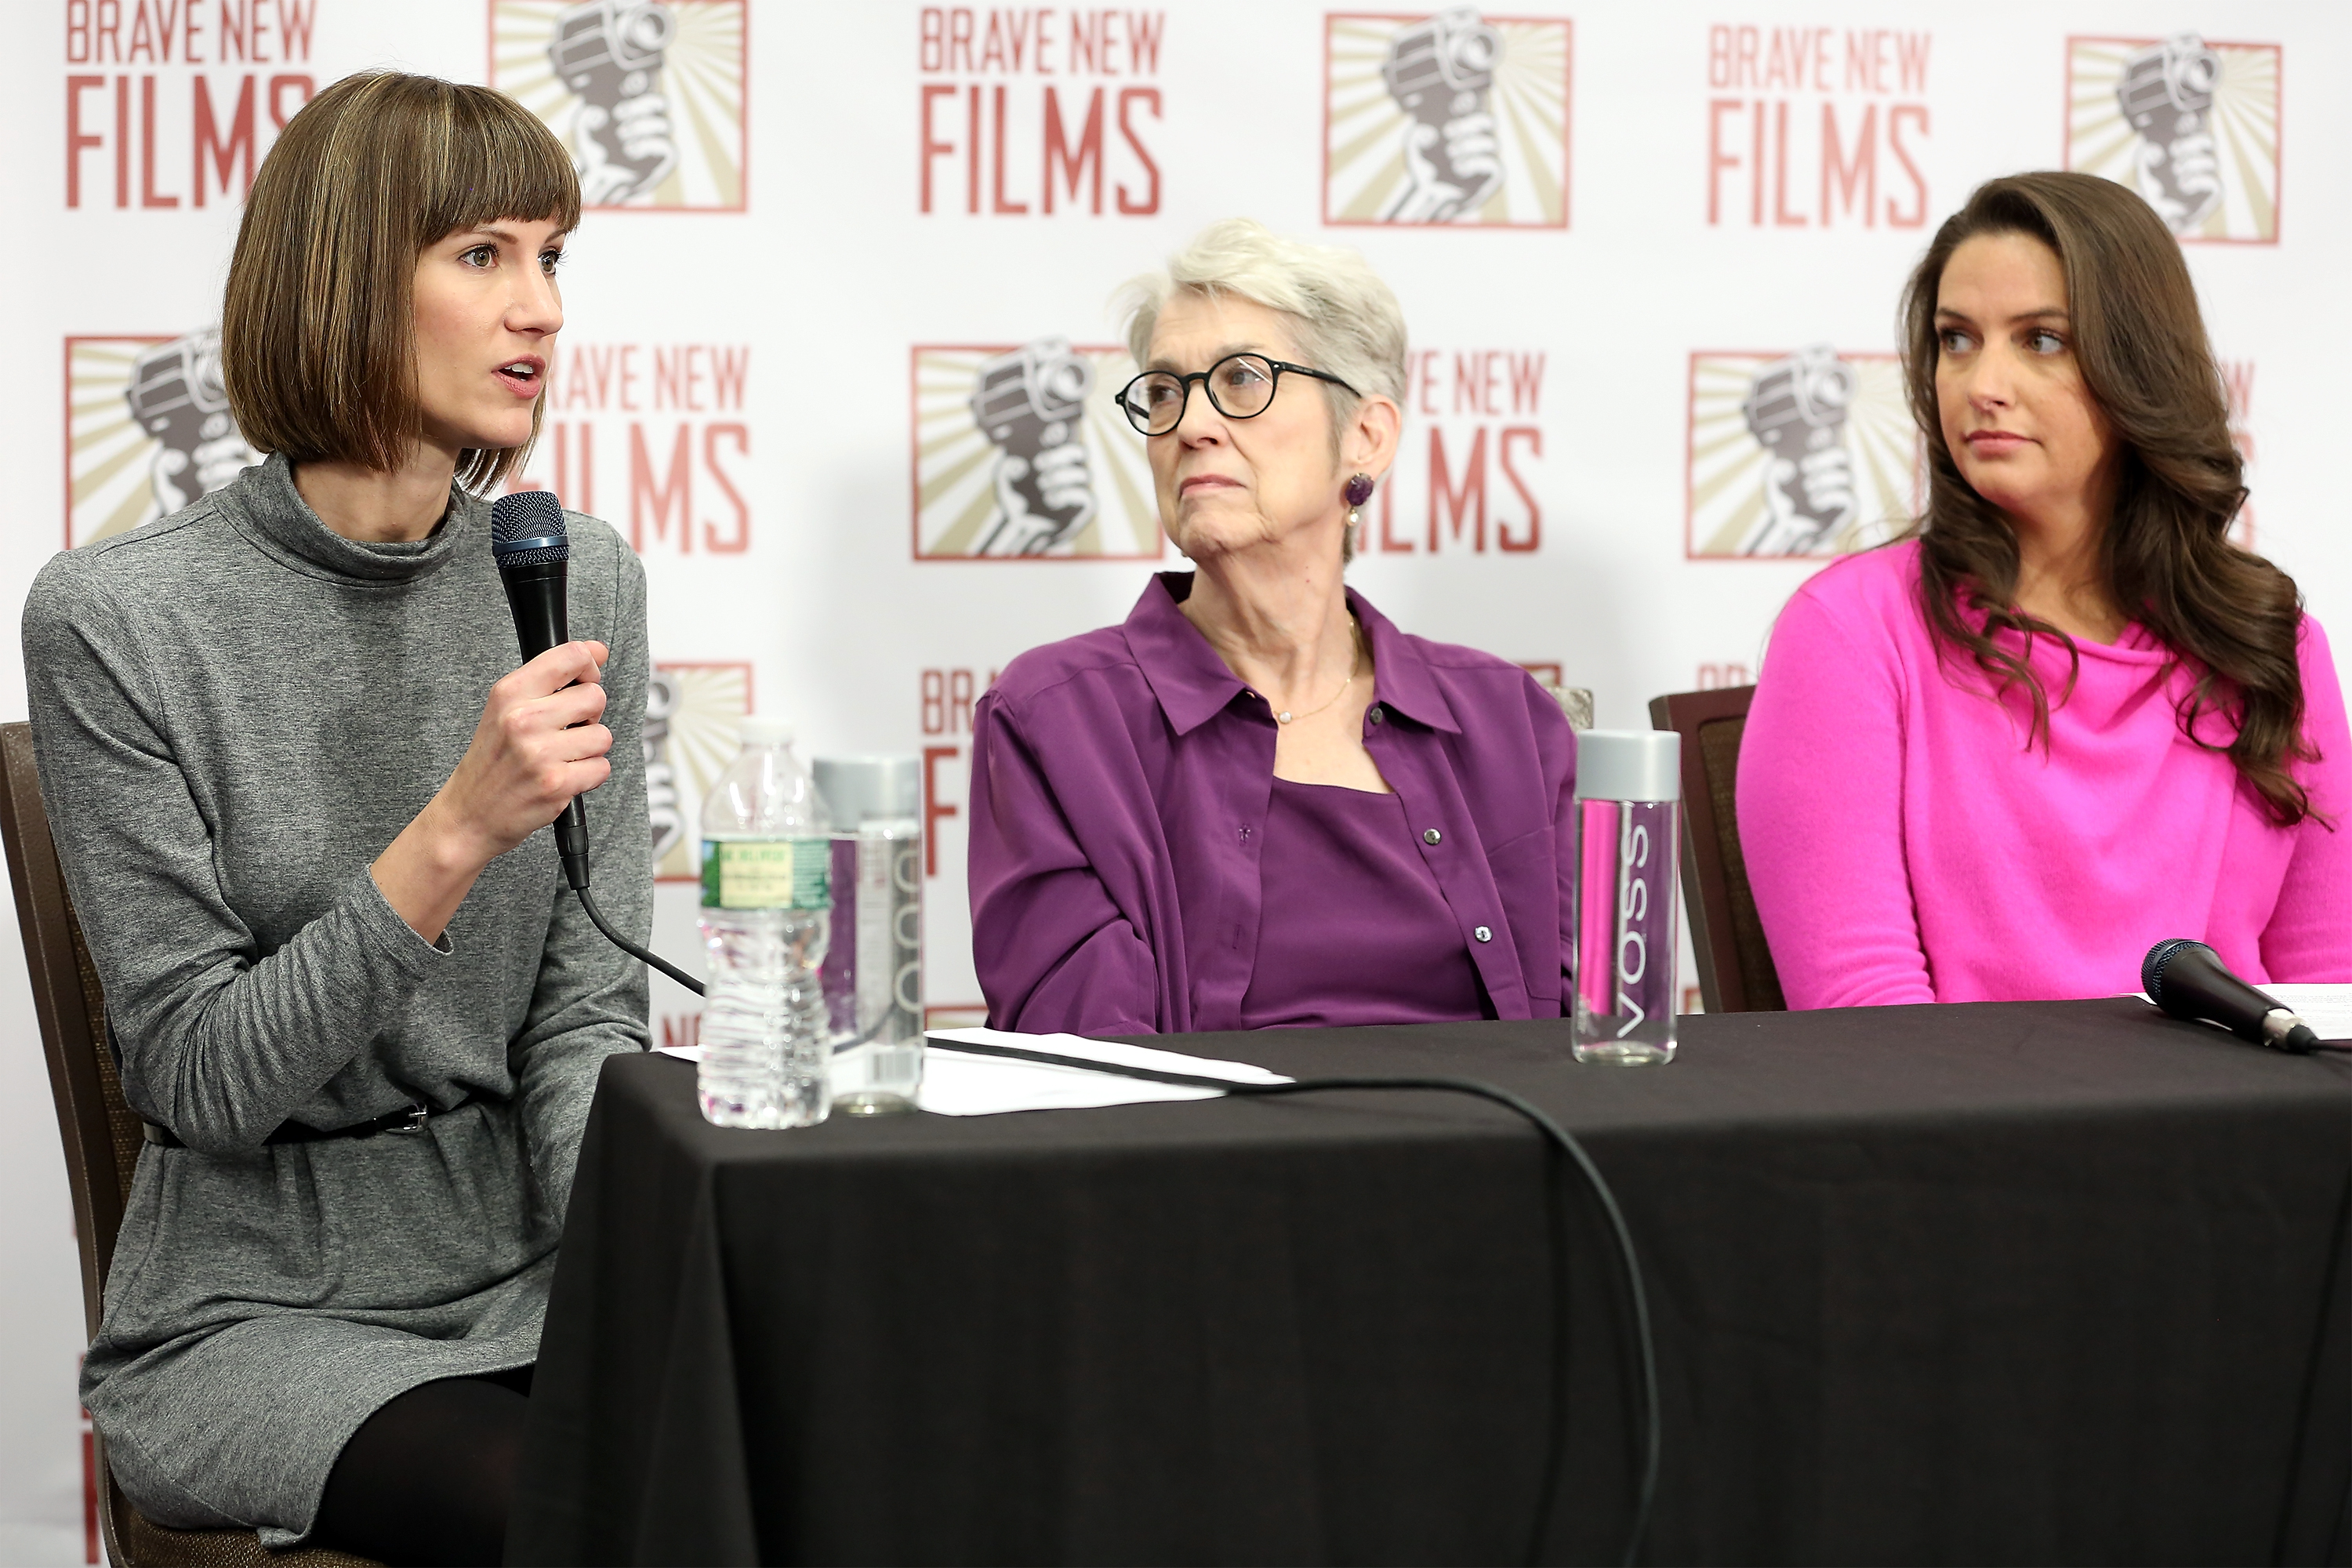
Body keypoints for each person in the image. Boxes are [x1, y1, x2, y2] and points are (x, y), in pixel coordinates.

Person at [22, 73, 651, 1563]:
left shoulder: (576, 578)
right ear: (349, 279)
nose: (541, 310)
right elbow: (195, 1079)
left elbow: (582, 1018)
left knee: (848, 1430)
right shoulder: (122, 620)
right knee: (587, 1509)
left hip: (532, 1261)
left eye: (551, 257)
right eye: (483, 256)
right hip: (253, 1308)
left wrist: (638, 1268)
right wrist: (454, 834)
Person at [1737, 172, 2352, 1008]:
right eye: (1957, 339)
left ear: (2138, 366)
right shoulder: (1851, 630)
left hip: (2240, 1131)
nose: (1981, 383)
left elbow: (2331, 993)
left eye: (2041, 340)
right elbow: (1868, 1029)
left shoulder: (2270, 643)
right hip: (1962, 1130)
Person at [968, 219, 1577, 1034]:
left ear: (1366, 435)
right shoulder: (1055, 719)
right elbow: (1091, 1064)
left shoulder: (1511, 722)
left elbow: (1594, 1044)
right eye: (1164, 391)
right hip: (1207, 1157)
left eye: (1243, 380)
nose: (1191, 425)